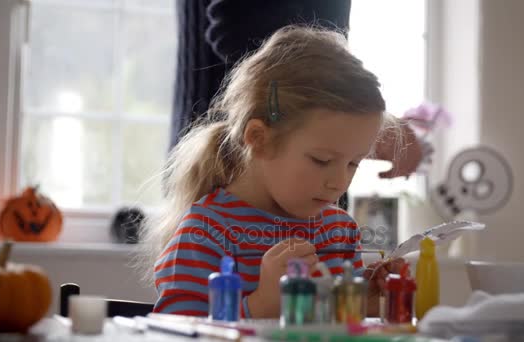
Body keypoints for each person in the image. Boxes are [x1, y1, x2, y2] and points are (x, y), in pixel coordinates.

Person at [138, 25, 415, 318]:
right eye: (321, 160)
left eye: (353, 163)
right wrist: (263, 303)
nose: (339, 182)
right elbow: (177, 330)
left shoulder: (339, 232)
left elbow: (334, 325)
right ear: (259, 139)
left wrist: (368, 300)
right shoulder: (207, 232)